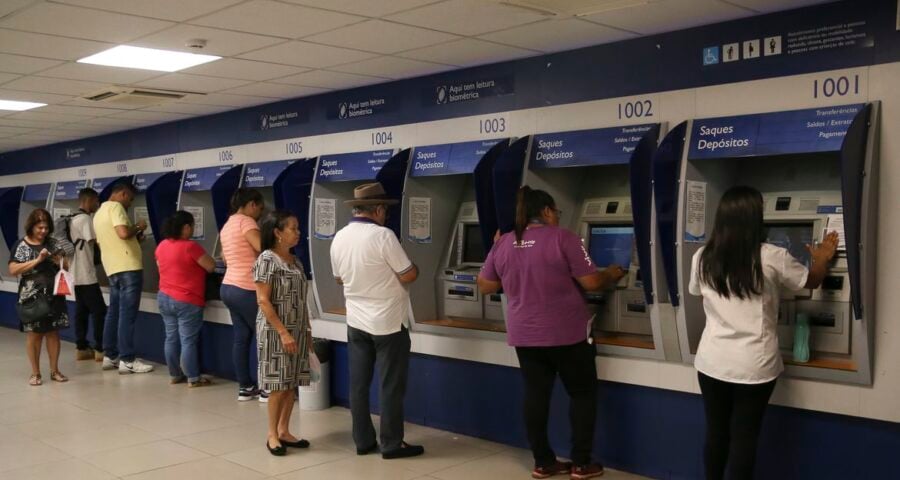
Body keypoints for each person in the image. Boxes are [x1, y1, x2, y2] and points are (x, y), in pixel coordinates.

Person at [688, 186, 838, 480]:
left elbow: (700, 296)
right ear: (755, 218)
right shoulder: (772, 256)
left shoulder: (702, 256)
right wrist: (822, 257)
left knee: (716, 433)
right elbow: (811, 281)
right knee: (745, 438)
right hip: (754, 365)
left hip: (711, 362)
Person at [476, 186, 624, 480]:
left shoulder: (504, 242)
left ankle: (543, 462)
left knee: (536, 396)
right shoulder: (564, 238)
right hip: (566, 333)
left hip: (524, 334)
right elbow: (592, 282)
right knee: (582, 394)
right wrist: (614, 273)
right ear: (546, 211)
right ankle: (582, 464)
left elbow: (485, 285)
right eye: (557, 211)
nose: (558, 216)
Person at [330, 183, 424, 460]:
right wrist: (414, 266)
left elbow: (339, 278)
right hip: (388, 322)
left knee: (358, 385)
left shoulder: (339, 237)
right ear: (379, 209)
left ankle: (363, 441)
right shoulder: (383, 236)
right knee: (390, 385)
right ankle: (392, 443)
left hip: (356, 321)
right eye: (385, 210)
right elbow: (408, 275)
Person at [254, 210, 312, 456]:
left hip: (297, 329)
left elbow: (302, 298)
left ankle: (285, 430)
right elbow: (263, 301)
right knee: (278, 384)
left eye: (298, 228)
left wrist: (307, 329)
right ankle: (272, 434)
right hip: (275, 331)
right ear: (277, 233)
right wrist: (283, 332)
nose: (298, 233)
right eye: (293, 228)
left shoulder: (295, 261)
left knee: (291, 383)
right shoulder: (266, 260)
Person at [93, 182, 154, 374]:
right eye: (130, 199)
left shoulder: (99, 212)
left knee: (114, 313)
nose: (129, 204)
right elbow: (122, 233)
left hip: (113, 268)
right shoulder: (116, 207)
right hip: (129, 268)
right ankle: (127, 359)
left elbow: (112, 239)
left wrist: (136, 237)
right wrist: (138, 225)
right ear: (123, 194)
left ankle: (110, 356)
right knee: (127, 315)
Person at [9, 208, 70, 386]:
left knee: (53, 332)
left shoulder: (52, 243)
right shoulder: (22, 245)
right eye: (39, 228)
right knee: (34, 334)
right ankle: (35, 373)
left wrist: (57, 260)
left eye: (46, 227)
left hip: (54, 294)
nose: (43, 231)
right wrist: (37, 260)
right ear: (31, 227)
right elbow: (13, 270)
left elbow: (65, 266)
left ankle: (55, 370)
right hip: (32, 296)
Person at [156, 210, 215, 387]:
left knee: (171, 337)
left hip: (164, 297)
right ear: (186, 227)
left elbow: (162, 267)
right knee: (188, 340)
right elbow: (211, 266)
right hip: (186, 299)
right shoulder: (191, 247)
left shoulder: (162, 245)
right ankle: (193, 378)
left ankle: (175, 374)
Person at [220, 188, 266, 401]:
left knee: (241, 339)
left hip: (228, 287)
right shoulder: (246, 222)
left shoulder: (228, 224)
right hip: (246, 287)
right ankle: (267, 388)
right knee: (264, 336)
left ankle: (245, 387)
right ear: (251, 204)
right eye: (260, 208)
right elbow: (261, 247)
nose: (260, 213)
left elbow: (226, 258)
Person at [70, 188, 106, 362]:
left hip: (74, 273)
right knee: (99, 311)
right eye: (96, 201)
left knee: (82, 310)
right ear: (89, 200)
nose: (97, 205)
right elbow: (95, 242)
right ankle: (100, 348)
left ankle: (82, 347)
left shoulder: (72, 217)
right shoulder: (84, 219)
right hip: (86, 273)